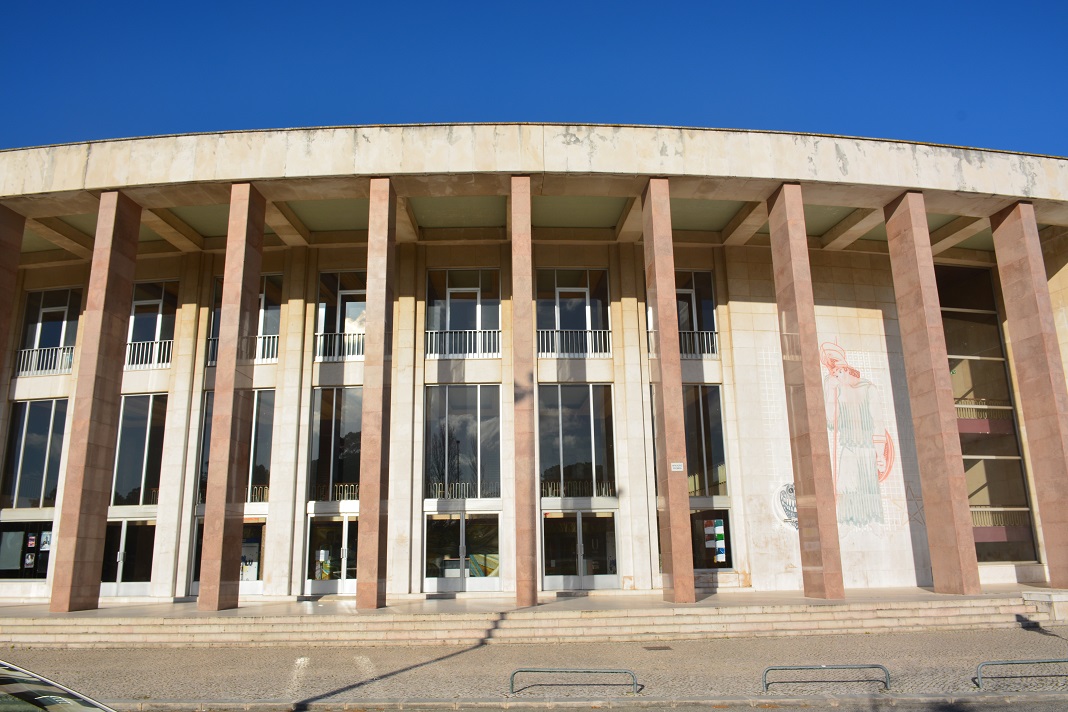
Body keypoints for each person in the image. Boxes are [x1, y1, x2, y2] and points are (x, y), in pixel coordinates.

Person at [820, 343, 895, 526]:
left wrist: (880, 455)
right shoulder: (837, 390)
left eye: (837, 372)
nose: (835, 376)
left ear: (845, 369)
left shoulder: (868, 389)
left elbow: (878, 423)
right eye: (833, 373)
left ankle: (871, 525)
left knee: (867, 492)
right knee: (845, 488)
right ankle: (847, 524)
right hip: (848, 448)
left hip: (868, 450)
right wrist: (831, 391)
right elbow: (831, 421)